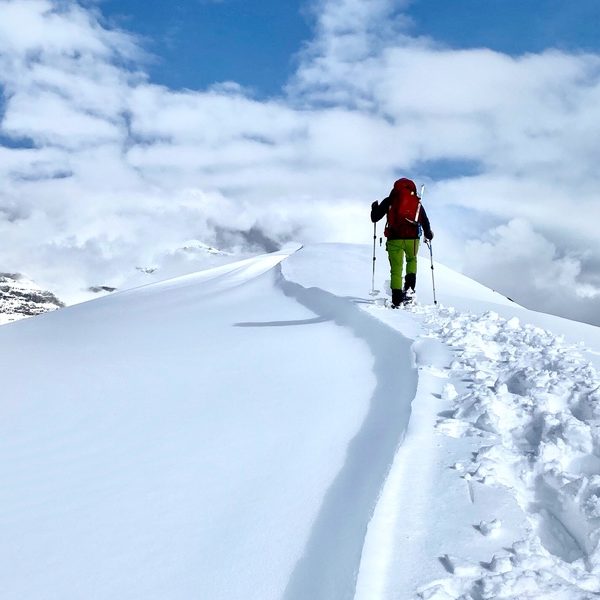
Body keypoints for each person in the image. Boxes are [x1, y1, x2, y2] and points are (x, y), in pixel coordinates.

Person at [371, 178, 433, 307]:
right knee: (411, 260)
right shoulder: (416, 202)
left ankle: (397, 299)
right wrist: (428, 235)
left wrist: (374, 208)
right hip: (413, 239)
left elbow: (375, 218)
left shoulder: (390, 200)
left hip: (394, 239)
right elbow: (425, 221)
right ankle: (410, 290)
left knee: (396, 269)